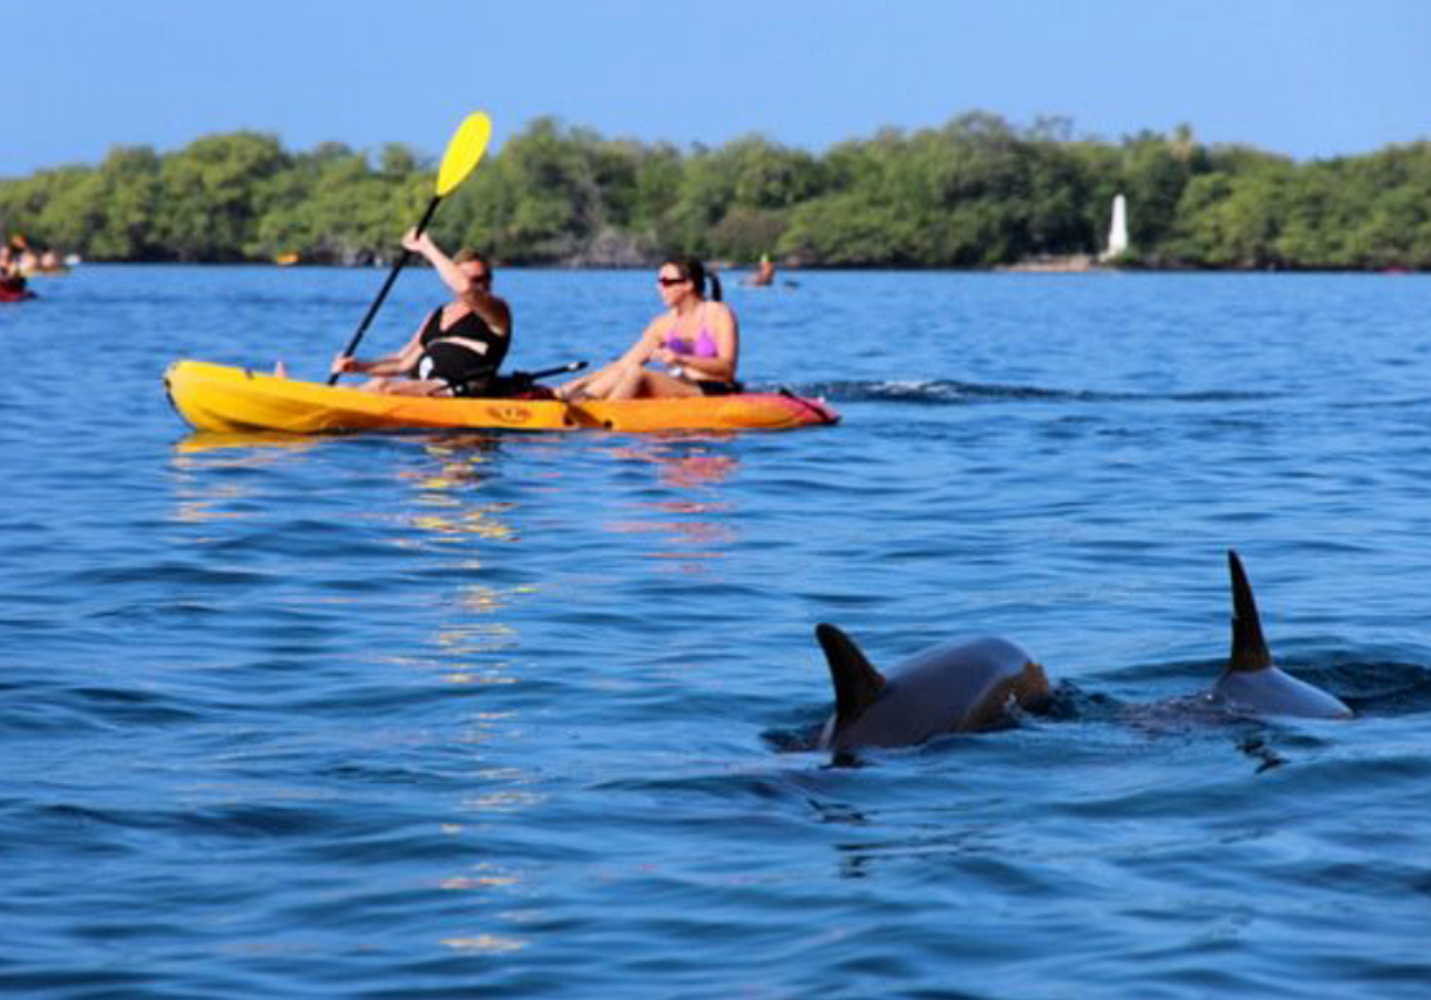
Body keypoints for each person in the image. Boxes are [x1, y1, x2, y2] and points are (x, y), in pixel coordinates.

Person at [329, 228, 512, 396]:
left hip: (461, 389)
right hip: (425, 387)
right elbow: (403, 362)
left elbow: (465, 290)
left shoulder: (497, 311)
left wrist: (426, 247)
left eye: (480, 279)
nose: (475, 285)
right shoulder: (439, 314)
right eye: (467, 278)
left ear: (490, 280)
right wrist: (357, 366)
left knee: (382, 387)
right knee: (344, 389)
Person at [557, 258, 740, 401]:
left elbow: (727, 368)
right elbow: (624, 364)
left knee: (638, 375)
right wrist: (575, 384)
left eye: (666, 282)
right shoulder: (662, 324)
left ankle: (596, 415)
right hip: (679, 385)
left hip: (715, 389)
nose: (659, 287)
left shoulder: (718, 313)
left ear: (688, 284)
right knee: (629, 369)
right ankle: (580, 400)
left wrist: (680, 359)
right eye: (658, 282)